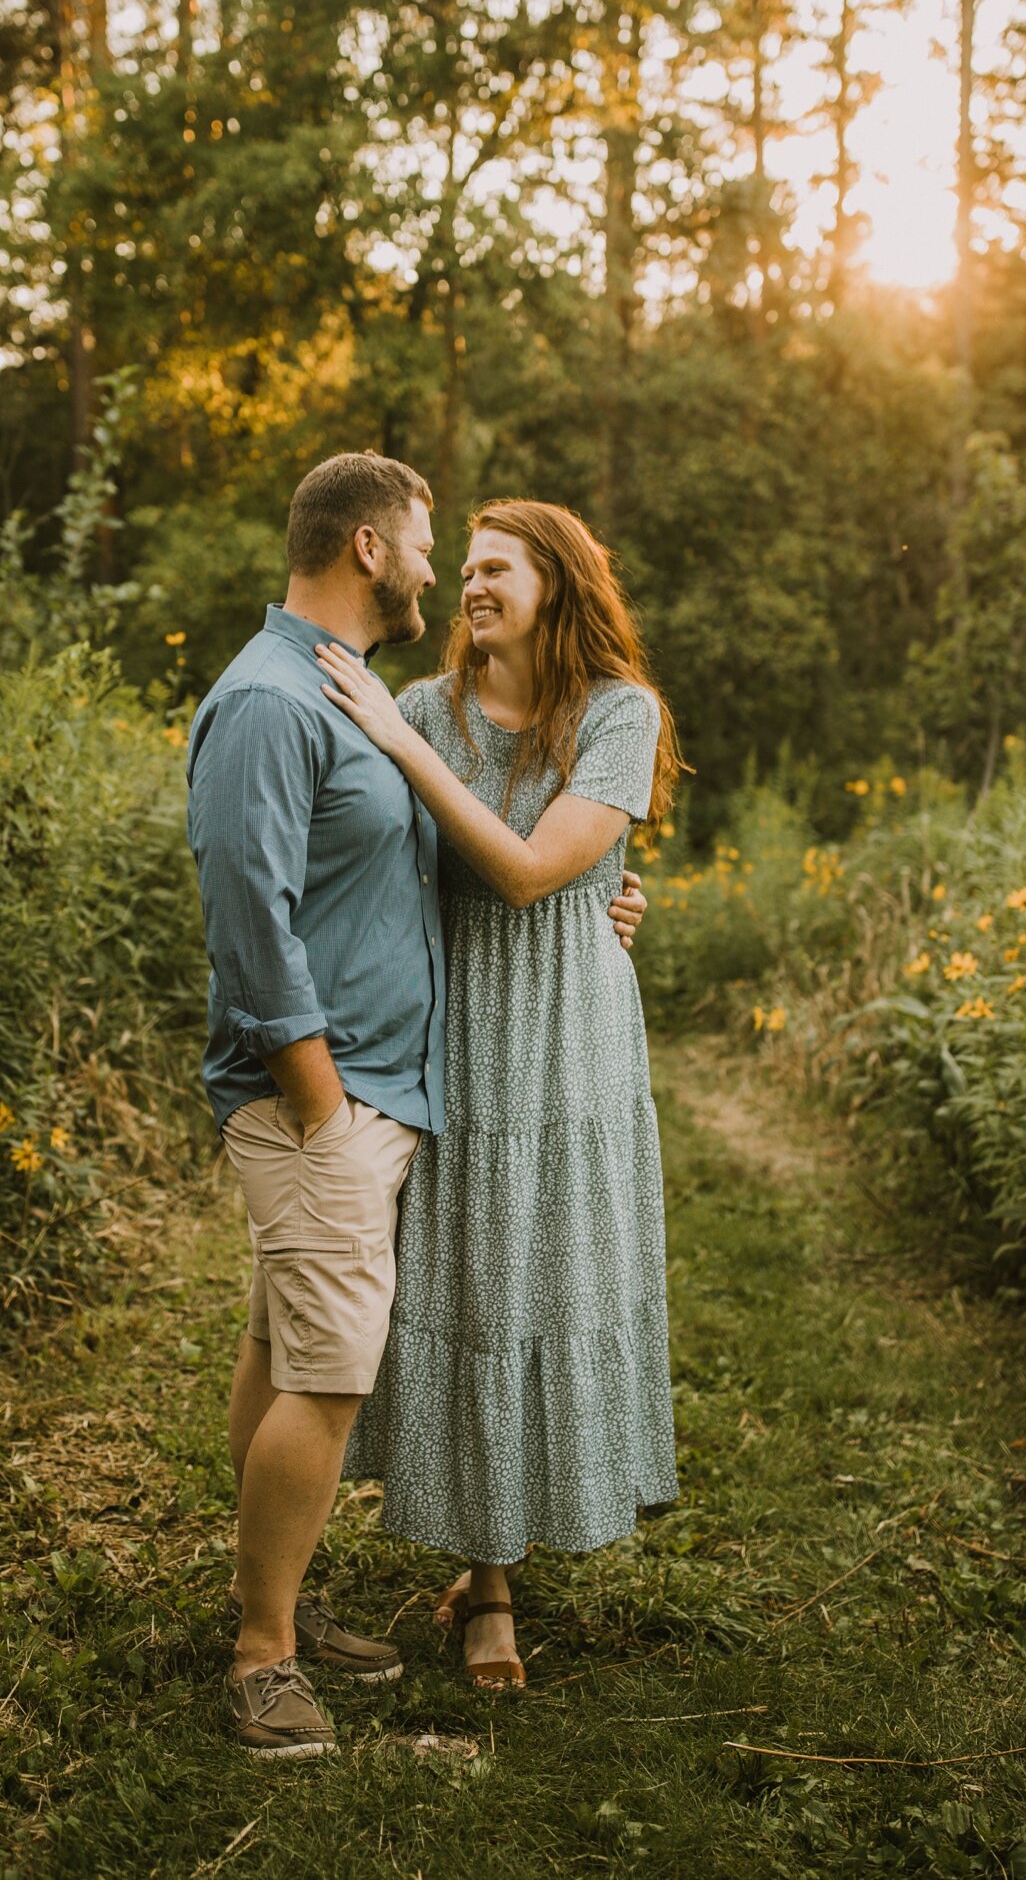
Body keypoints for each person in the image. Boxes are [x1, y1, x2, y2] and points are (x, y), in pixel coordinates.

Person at [185, 456, 645, 1756]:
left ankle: (275, 1596)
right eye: (442, 549)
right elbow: (252, 917)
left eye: (490, 560)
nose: (449, 574)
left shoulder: (367, 698)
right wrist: (320, 1099)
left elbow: (467, 859)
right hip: (343, 1087)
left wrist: (606, 889)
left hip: (412, 1072)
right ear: (375, 547)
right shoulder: (303, 699)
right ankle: (263, 1649)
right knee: (331, 1362)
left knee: (286, 1340)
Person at [321, 498, 682, 1690]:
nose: (471, 585)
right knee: (472, 1279)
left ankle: (535, 1517)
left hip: (573, 1034)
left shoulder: (619, 714)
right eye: (464, 567)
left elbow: (532, 871)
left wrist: (607, 898)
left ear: (557, 583)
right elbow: (385, 866)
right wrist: (395, 728)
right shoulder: (424, 707)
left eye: (495, 568)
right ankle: (489, 1585)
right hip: (458, 1026)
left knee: (554, 1272)